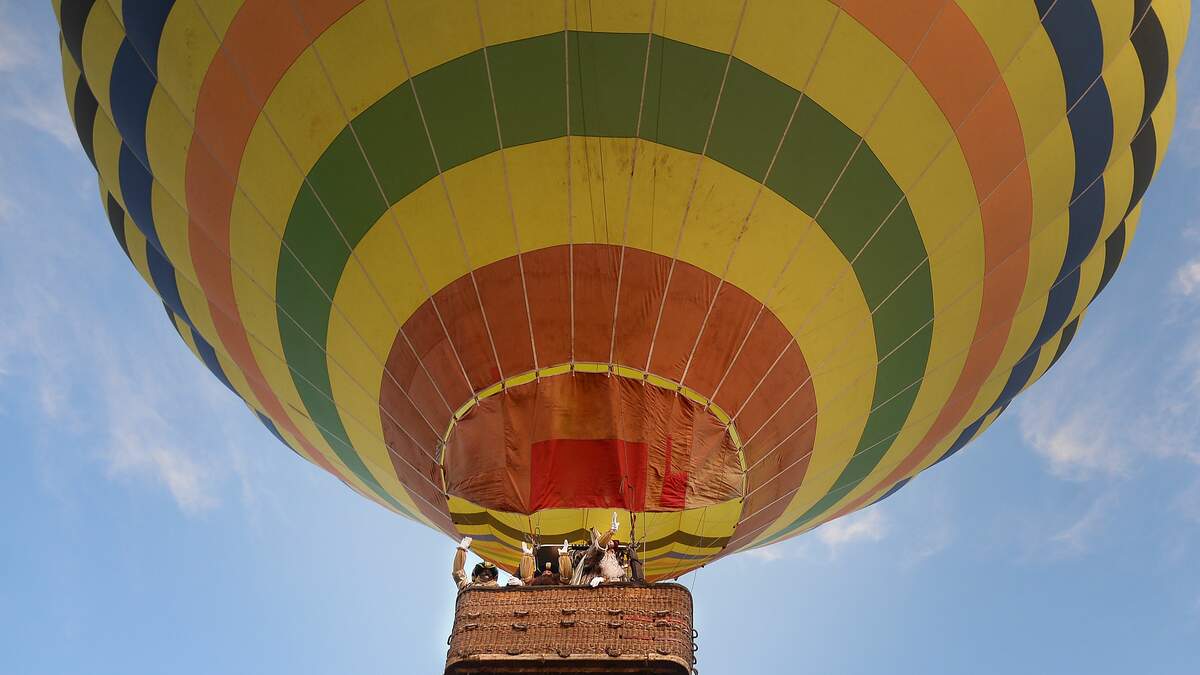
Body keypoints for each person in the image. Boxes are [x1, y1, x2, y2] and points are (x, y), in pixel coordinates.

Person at [572, 512, 626, 587]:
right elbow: (597, 550)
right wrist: (611, 532)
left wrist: (604, 579)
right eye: (607, 543)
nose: (610, 550)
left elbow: (617, 580)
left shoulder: (615, 561)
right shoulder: (591, 555)